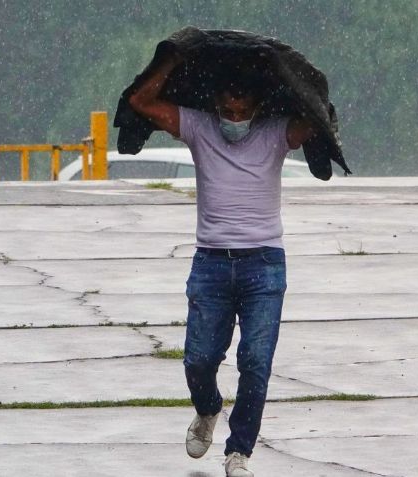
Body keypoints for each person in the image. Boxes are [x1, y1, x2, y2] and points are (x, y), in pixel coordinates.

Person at [128, 51, 315, 477]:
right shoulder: (198, 126)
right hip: (211, 262)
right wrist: (171, 61)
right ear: (215, 106)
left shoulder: (274, 132)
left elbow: (316, 118)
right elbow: (141, 103)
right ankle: (209, 409)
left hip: (264, 263)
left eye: (242, 111)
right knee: (198, 358)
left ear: (258, 109)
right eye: (227, 110)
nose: (234, 118)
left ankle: (240, 451)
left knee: (255, 361)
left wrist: (290, 76)